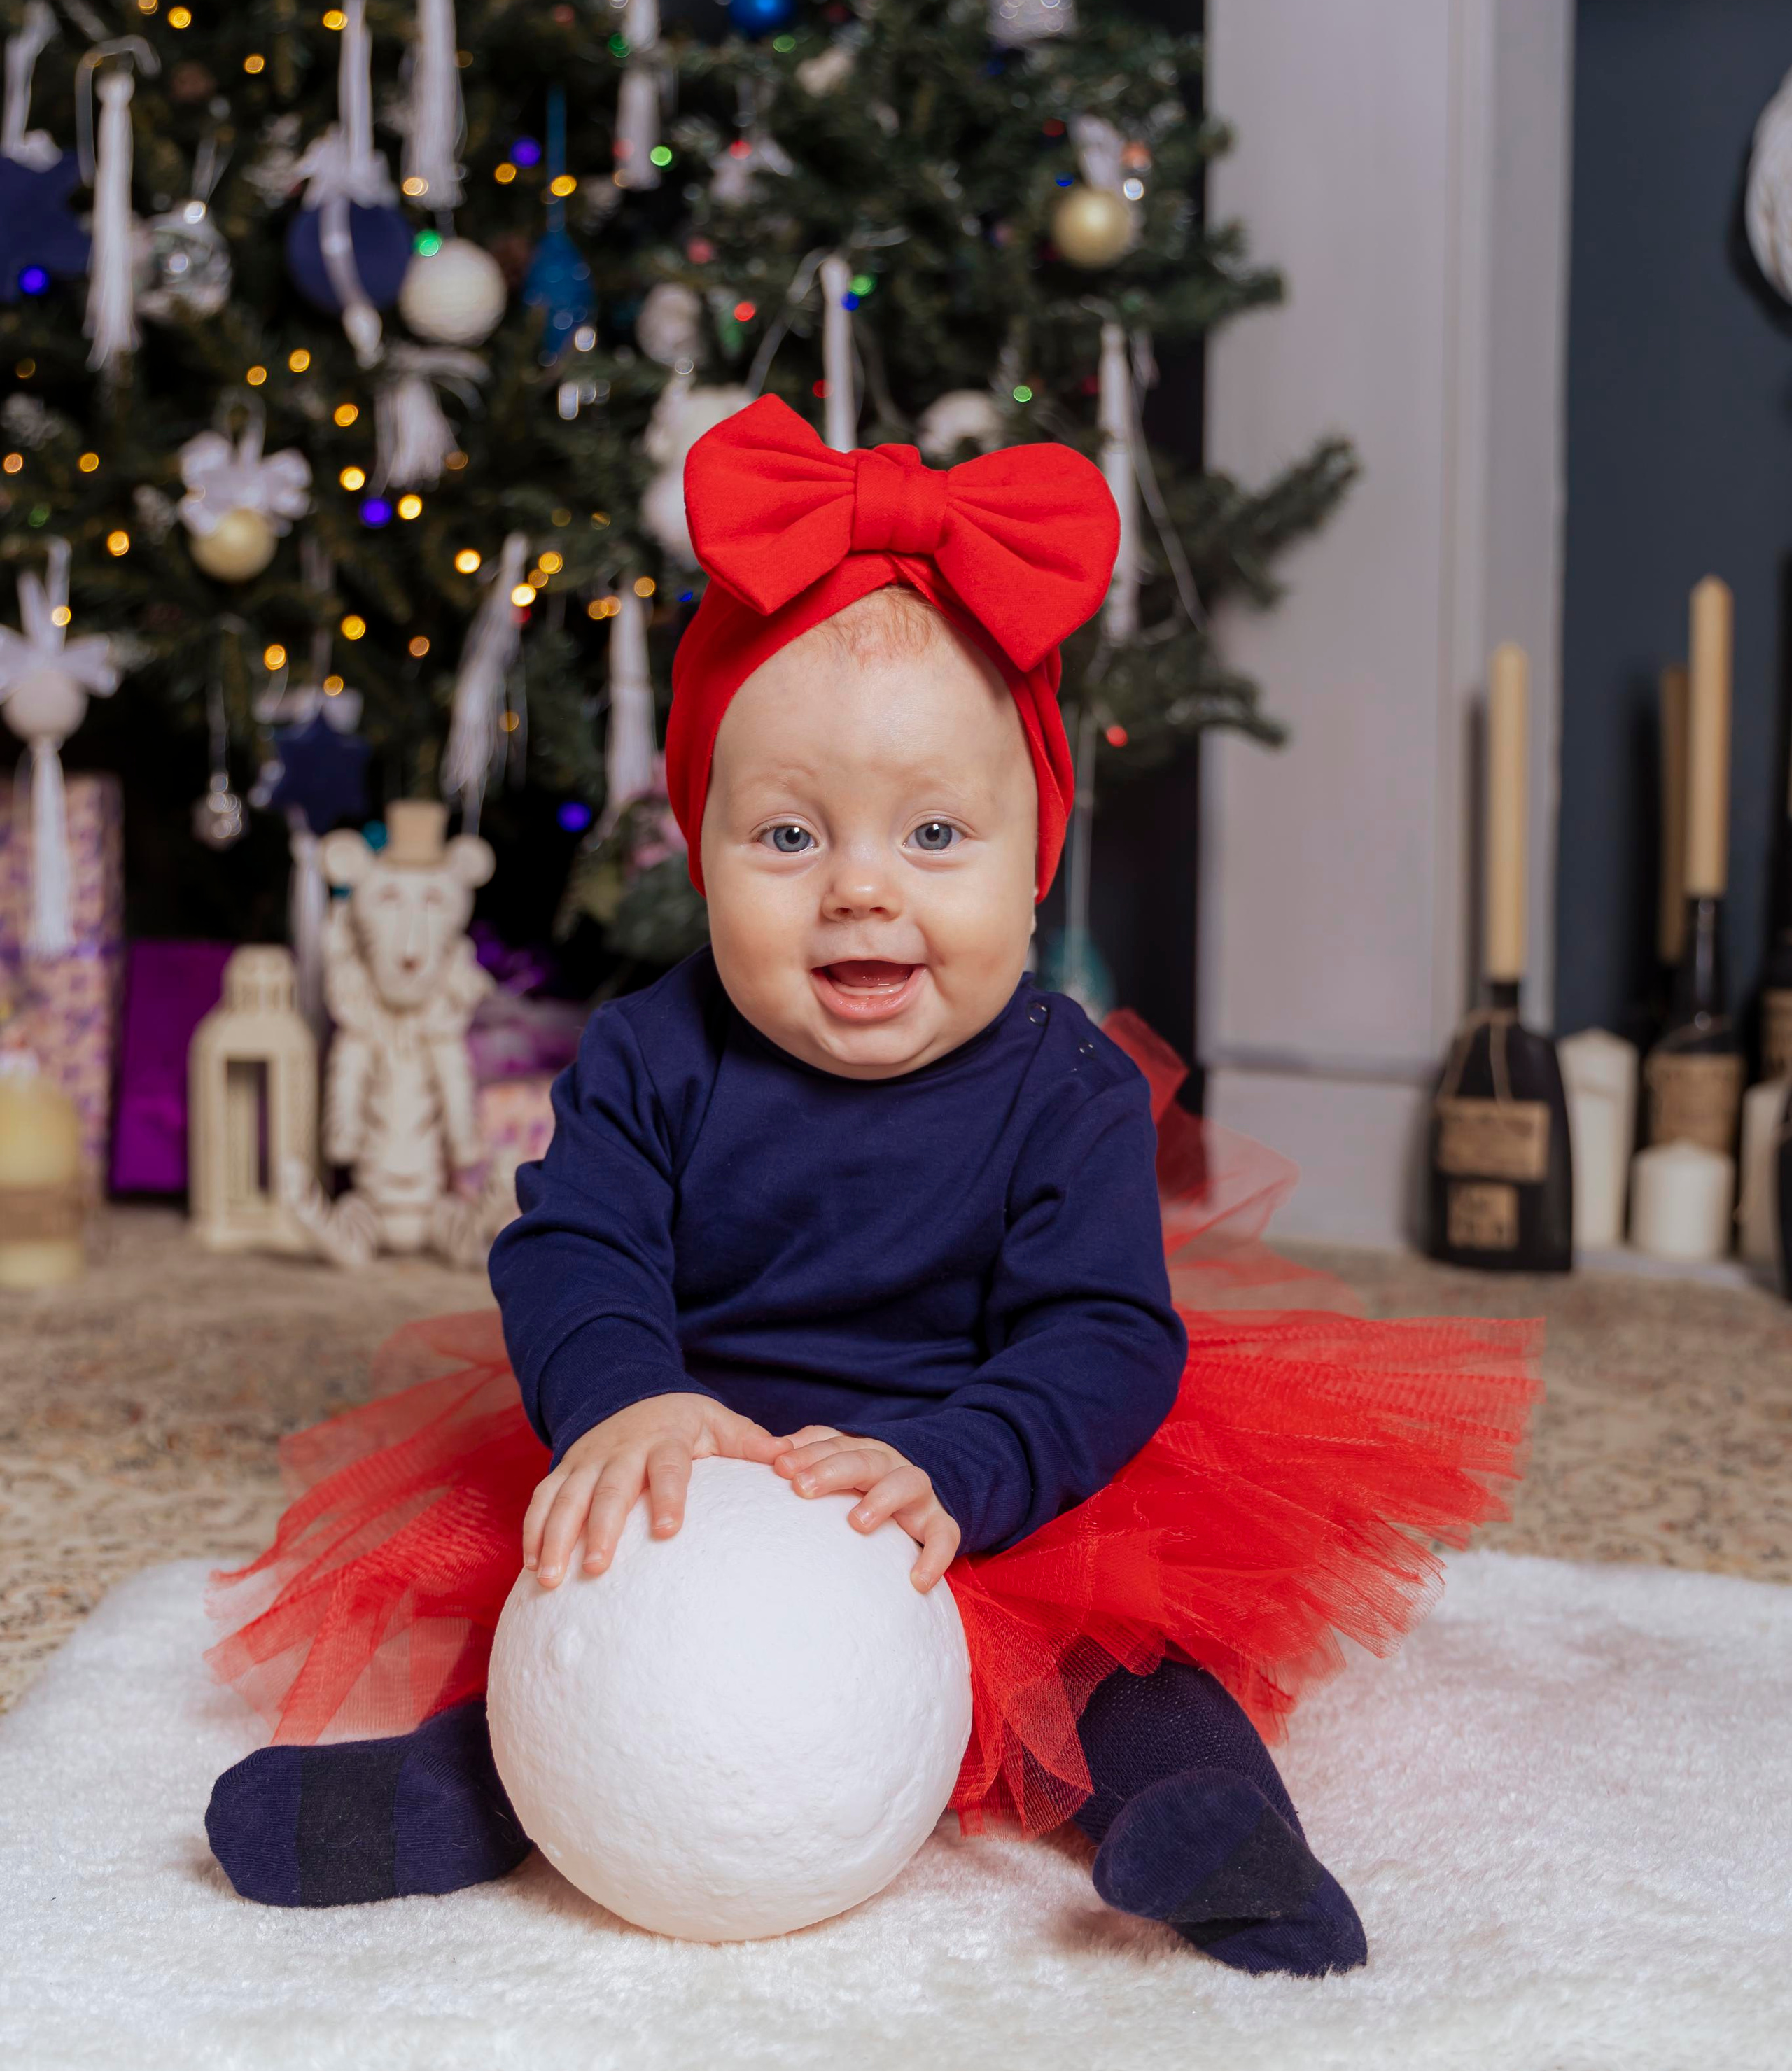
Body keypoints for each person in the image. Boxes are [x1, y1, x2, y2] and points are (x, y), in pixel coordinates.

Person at [205, 396, 1538, 1970]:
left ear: (1030, 858)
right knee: (581, 1639)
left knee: (1126, 1662)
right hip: (690, 1474)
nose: (858, 886)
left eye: (930, 833)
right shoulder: (649, 1056)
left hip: (969, 1490)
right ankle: (457, 1791)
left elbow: (1101, 1340)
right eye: (785, 831)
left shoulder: (1068, 1095)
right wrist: (627, 1402)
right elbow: (572, 1251)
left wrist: (960, 1471)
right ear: (695, 850)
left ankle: (1212, 1830)